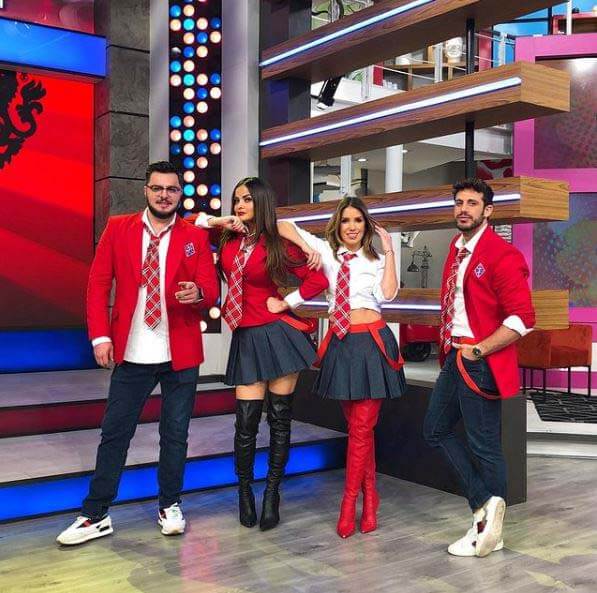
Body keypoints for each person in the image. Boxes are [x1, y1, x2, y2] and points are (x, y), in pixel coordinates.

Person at [56, 161, 219, 545]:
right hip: (132, 351)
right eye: (157, 188)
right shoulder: (118, 228)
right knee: (115, 434)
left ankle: (170, 504)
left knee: (175, 434)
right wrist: (100, 337)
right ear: (146, 190)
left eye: (171, 189)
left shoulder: (194, 236)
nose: (164, 195)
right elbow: (98, 285)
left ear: (180, 193)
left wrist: (199, 294)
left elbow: (211, 288)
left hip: (180, 352)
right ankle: (95, 513)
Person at [193, 177, 328, 531]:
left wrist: (286, 302)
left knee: (279, 421)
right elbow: (191, 223)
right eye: (236, 199)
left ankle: (271, 494)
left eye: (248, 199)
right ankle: (244, 492)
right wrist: (219, 220)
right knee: (246, 424)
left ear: (262, 203)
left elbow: (319, 280)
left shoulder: (278, 243)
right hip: (246, 336)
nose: (240, 205)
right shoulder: (227, 237)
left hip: (277, 335)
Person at [278, 196, 407, 539]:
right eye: (346, 220)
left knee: (362, 429)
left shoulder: (377, 259)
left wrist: (389, 250)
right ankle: (371, 496)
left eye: (358, 221)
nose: (352, 227)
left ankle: (349, 503)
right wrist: (310, 248)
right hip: (341, 343)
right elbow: (282, 226)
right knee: (358, 429)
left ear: (366, 226)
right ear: (338, 224)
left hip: (373, 343)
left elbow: (389, 294)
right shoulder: (326, 252)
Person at [422, 178, 535, 558]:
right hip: (454, 356)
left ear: (488, 211)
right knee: (434, 429)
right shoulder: (456, 249)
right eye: (459, 202)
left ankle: (487, 529)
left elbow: (523, 318)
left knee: (484, 445)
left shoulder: (503, 255)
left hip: (479, 360)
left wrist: (480, 350)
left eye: (472, 203)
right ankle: (486, 505)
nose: (464, 209)